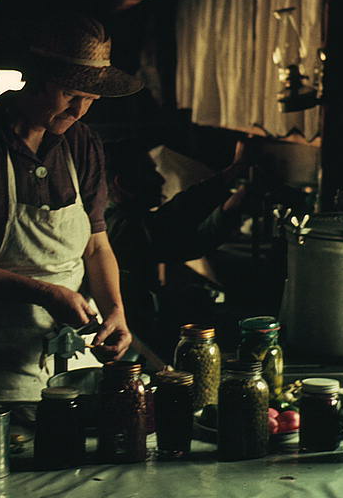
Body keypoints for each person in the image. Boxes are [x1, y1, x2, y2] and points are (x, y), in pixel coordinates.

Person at [0, 12, 142, 402]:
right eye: (70, 95)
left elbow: (96, 245)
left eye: (89, 100)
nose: (78, 112)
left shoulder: (83, 143)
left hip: (72, 350)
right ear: (36, 80)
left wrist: (115, 312)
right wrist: (45, 293)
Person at [103, 138, 254, 357]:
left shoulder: (118, 217)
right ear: (121, 183)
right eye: (149, 172)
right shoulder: (120, 226)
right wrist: (232, 176)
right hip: (129, 339)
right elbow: (176, 219)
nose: (160, 179)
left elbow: (181, 232)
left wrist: (231, 204)